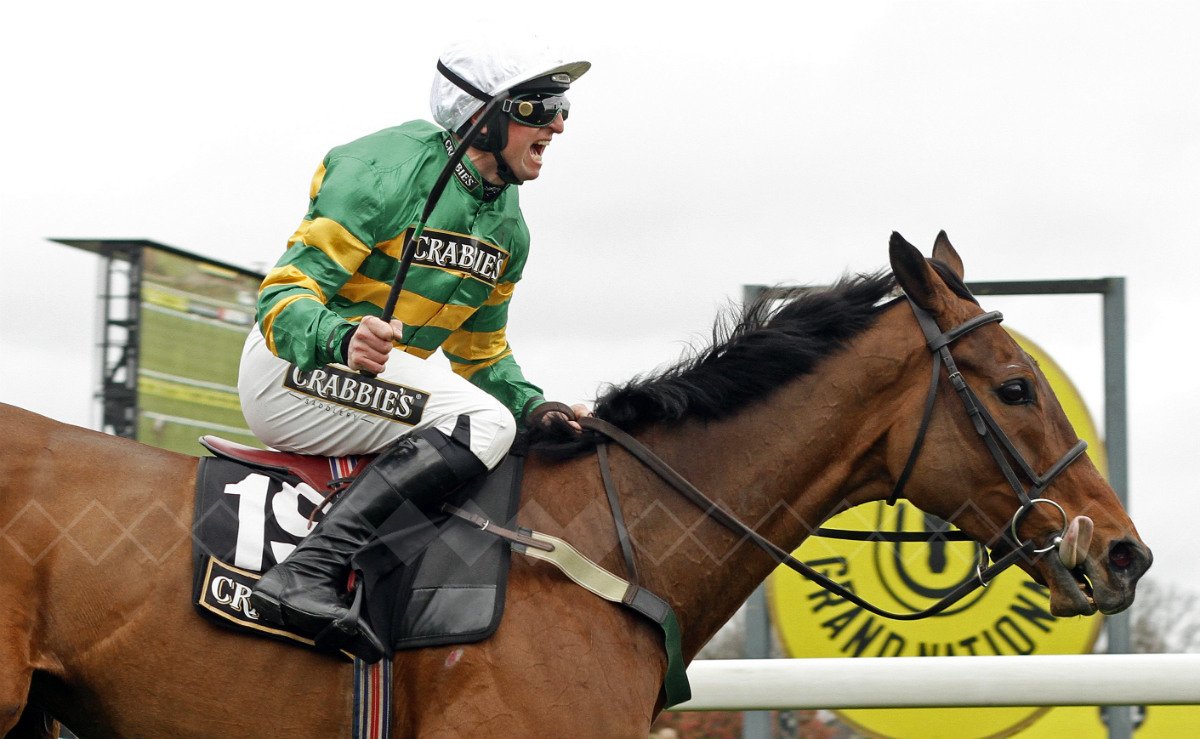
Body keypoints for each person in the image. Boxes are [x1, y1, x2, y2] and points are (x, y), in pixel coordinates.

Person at [236, 37, 591, 660]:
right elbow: (281, 298)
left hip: (377, 390)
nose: (558, 124)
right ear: (481, 116)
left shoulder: (509, 225)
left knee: (503, 419)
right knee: (484, 422)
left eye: (562, 106)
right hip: (294, 372)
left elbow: (482, 356)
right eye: (537, 108)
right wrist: (340, 337)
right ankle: (306, 571)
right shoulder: (383, 170)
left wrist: (536, 407)